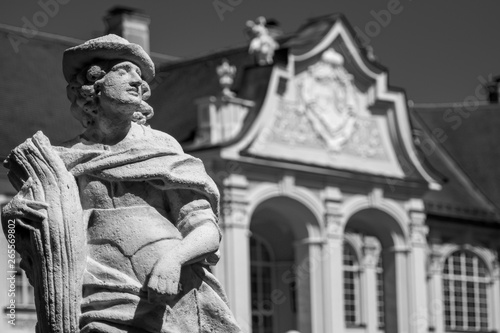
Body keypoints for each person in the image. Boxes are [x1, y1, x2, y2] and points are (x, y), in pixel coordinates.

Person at [53, 34, 241, 333]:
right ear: (93, 85)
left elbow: (206, 230)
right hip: (97, 296)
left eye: (140, 76)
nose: (137, 81)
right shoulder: (64, 160)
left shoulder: (161, 149)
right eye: (123, 71)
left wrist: (174, 260)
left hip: (169, 298)